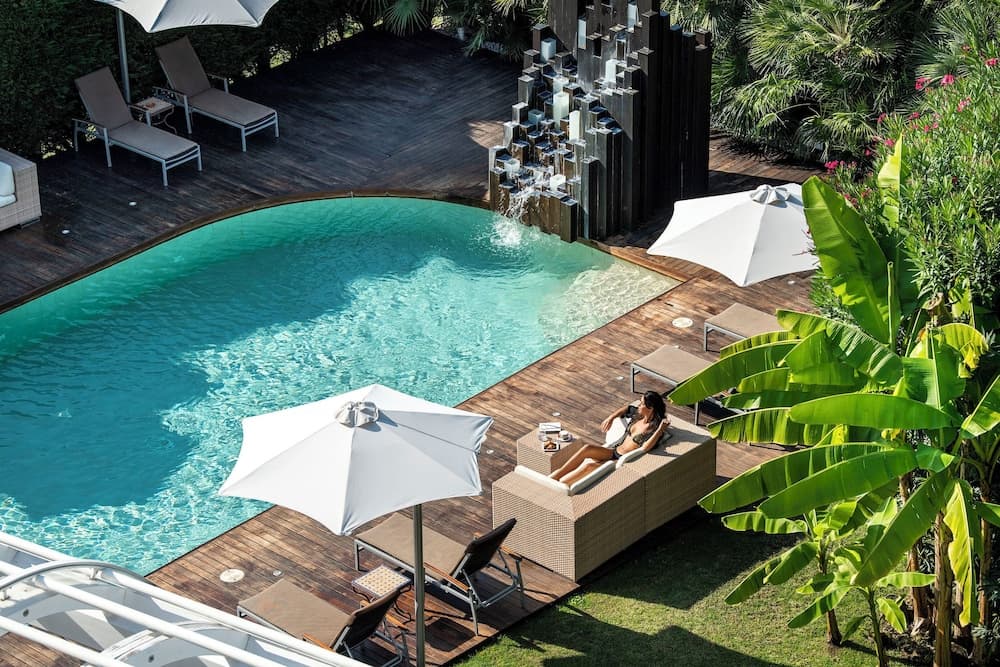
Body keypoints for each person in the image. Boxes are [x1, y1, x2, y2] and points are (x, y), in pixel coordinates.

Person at [548, 391, 670, 486]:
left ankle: (560, 486)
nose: (638, 405)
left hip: (620, 461)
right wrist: (611, 417)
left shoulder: (654, 429)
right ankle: (557, 475)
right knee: (587, 448)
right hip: (613, 451)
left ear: (650, 408)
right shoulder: (638, 415)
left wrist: (660, 430)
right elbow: (627, 408)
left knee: (589, 467)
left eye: (642, 403)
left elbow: (645, 448)